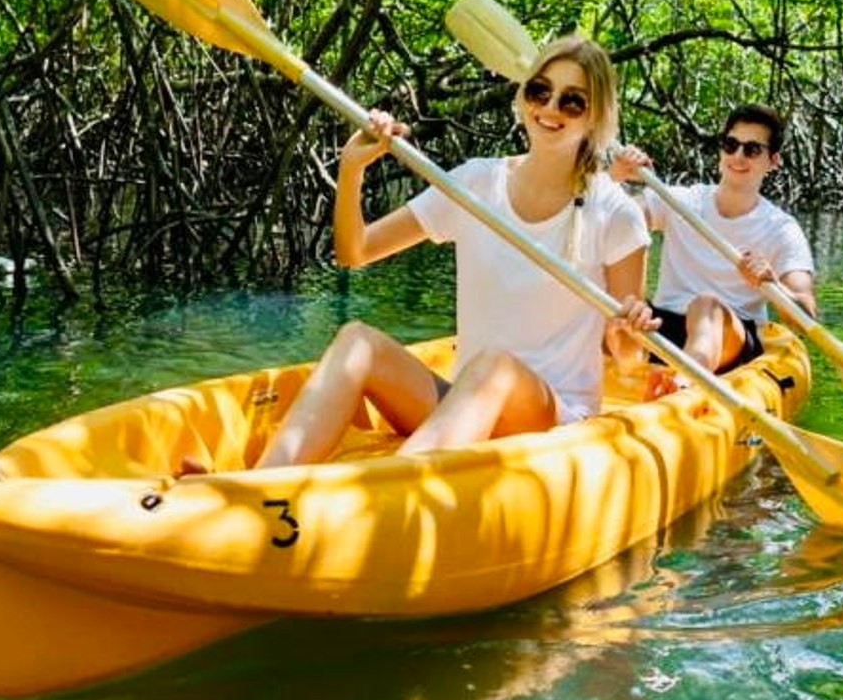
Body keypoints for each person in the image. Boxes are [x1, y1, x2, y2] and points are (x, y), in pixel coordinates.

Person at [255, 36, 657, 468]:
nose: (550, 108)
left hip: (554, 423)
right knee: (358, 341)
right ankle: (260, 484)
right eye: (540, 91)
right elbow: (356, 251)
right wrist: (352, 169)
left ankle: (380, 499)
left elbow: (630, 364)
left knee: (495, 367)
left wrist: (624, 334)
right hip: (468, 400)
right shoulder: (475, 184)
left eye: (572, 101)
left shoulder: (615, 214)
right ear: (524, 97)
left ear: (595, 117)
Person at [608, 104, 816, 375]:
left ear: (773, 161)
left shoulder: (781, 229)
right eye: (731, 144)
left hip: (731, 335)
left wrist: (774, 285)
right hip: (664, 326)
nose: (738, 156)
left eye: (752, 150)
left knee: (705, 306)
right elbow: (608, 221)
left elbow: (806, 313)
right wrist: (615, 176)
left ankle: (685, 383)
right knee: (621, 317)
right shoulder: (680, 201)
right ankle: (631, 373)